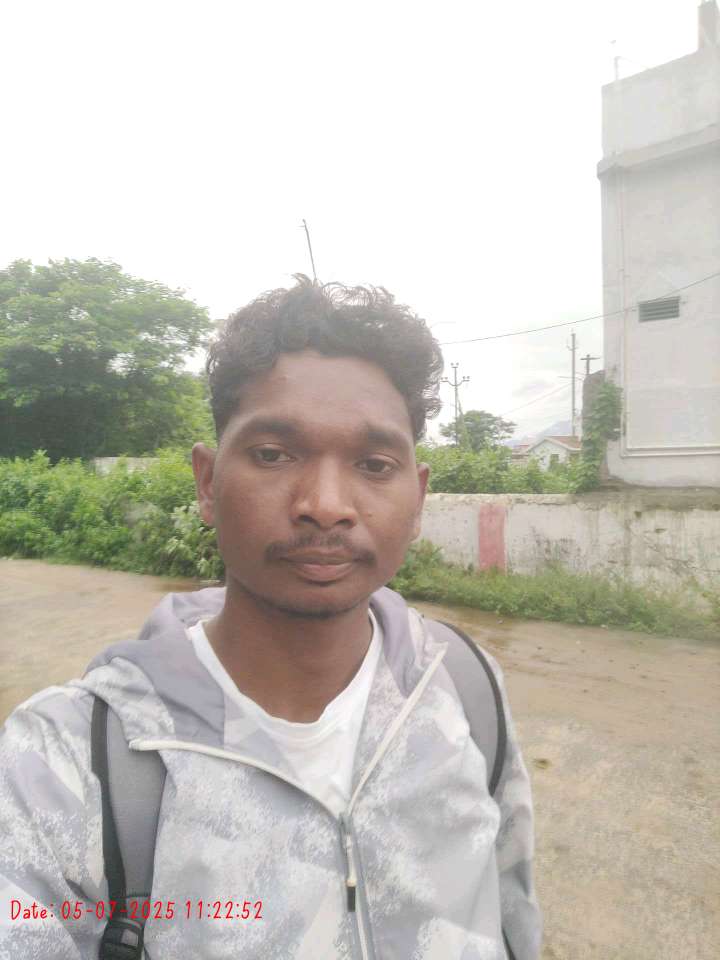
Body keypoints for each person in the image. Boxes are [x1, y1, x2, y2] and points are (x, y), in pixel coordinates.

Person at [0, 275, 542, 959]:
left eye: (375, 464)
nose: (326, 505)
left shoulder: (464, 688)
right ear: (207, 483)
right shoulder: (66, 761)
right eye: (273, 455)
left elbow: (513, 915)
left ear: (418, 496)